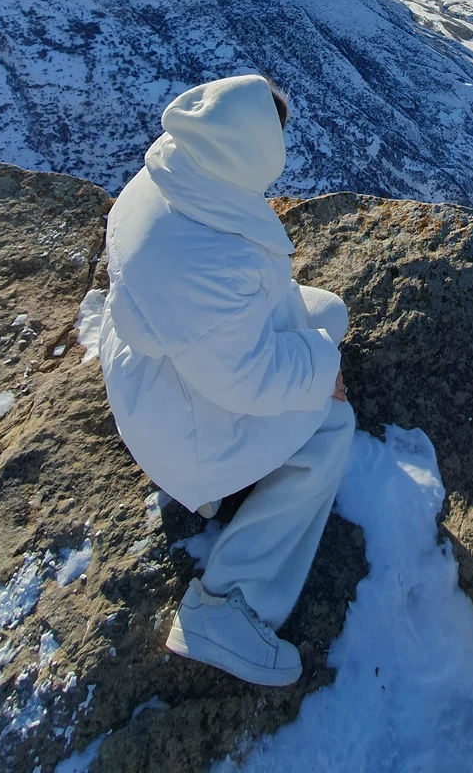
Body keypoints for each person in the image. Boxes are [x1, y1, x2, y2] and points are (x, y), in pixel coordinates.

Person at [97, 74, 354, 686]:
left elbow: (220, 326)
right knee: (331, 428)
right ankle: (230, 603)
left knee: (331, 315)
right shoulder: (210, 261)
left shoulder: (169, 174)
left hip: (158, 378)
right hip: (181, 424)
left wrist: (314, 350)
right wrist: (321, 376)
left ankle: (222, 485)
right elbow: (248, 378)